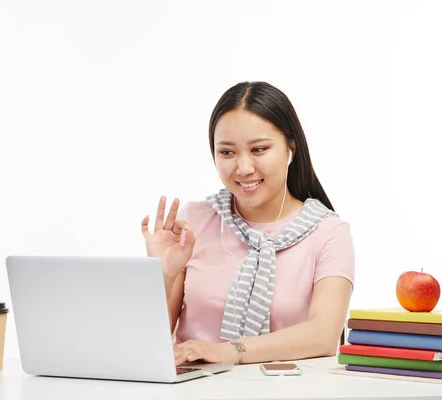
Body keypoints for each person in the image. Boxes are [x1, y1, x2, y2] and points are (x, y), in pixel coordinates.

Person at [141, 81, 355, 366]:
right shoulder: (193, 222)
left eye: (259, 149)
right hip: (192, 389)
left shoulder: (329, 232)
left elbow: (324, 335)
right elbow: (147, 343)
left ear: (291, 148)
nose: (243, 169)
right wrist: (162, 276)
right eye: (227, 153)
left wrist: (229, 352)